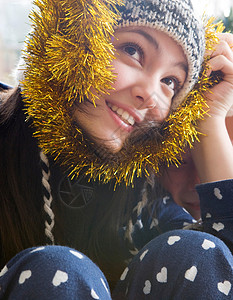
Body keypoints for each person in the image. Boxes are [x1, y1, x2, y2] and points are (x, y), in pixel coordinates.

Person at [0, 0, 233, 299]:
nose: (149, 94)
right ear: (73, 36)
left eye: (170, 81)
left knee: (199, 252)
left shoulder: (147, 196)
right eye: (133, 51)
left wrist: (209, 119)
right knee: (58, 270)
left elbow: (222, 263)